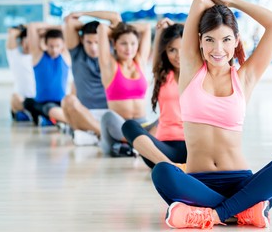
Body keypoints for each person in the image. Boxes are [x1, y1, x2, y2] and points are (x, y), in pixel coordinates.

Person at [151, 0, 272, 230]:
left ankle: (210, 215)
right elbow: (199, 1)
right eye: (210, 39)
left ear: (237, 40)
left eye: (226, 39)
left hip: (240, 182)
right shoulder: (190, 70)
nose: (217, 48)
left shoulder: (245, 78)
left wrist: (231, 1)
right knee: (162, 172)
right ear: (199, 41)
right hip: (197, 183)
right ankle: (243, 212)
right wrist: (216, 3)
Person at [122, 18, 186, 169]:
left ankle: (172, 169)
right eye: (172, 50)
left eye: (183, 49)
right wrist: (160, 32)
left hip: (194, 149)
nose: (178, 56)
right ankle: (172, 167)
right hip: (161, 151)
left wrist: (178, 26)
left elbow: (200, 32)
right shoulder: (163, 74)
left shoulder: (198, 74)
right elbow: (158, 51)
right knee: (129, 126)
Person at [62, 11, 122, 146]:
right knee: (67, 101)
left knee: (79, 135)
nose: (93, 47)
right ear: (82, 40)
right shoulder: (76, 52)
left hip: (111, 113)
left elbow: (115, 17)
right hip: (84, 113)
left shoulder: (111, 51)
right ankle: (105, 135)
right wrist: (85, 24)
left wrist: (85, 13)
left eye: (97, 42)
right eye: (89, 42)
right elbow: (70, 23)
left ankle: (94, 134)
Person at [97, 19, 152, 156]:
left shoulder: (140, 61)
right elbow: (102, 29)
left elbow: (146, 27)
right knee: (108, 116)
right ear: (114, 44)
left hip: (141, 125)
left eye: (133, 43)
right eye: (123, 43)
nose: (129, 48)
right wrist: (120, 30)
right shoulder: (109, 65)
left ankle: (133, 146)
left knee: (166, 118)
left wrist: (125, 29)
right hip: (119, 127)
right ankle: (140, 145)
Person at [24, 22, 71, 126]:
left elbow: (65, 27)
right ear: (45, 44)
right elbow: (32, 26)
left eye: (57, 46)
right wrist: (50, 28)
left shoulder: (65, 56)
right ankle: (57, 119)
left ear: (63, 45)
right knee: (27, 102)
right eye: (51, 46)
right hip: (42, 103)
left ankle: (51, 119)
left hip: (61, 103)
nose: (54, 49)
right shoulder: (38, 55)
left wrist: (48, 30)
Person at [6, 25, 35, 121]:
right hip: (22, 101)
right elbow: (12, 35)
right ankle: (28, 113)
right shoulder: (16, 57)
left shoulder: (41, 57)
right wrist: (24, 28)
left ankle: (34, 114)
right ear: (22, 42)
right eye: (28, 40)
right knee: (14, 98)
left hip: (37, 101)